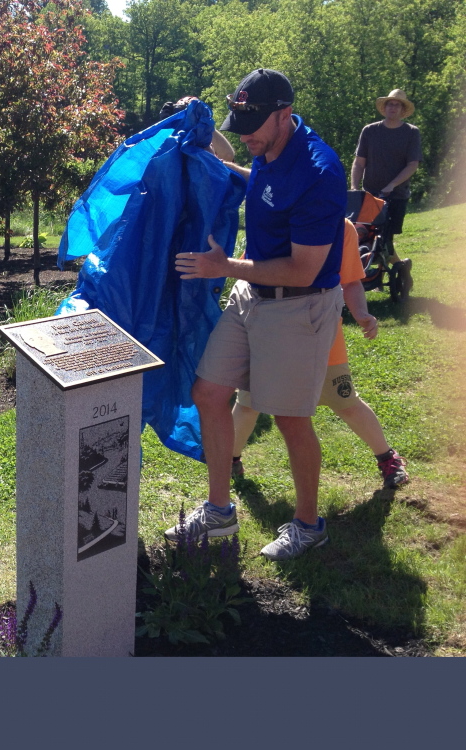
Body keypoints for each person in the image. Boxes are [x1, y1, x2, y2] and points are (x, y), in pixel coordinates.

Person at [173, 68, 347, 561]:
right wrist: (216, 157)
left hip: (299, 305)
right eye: (239, 122)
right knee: (208, 392)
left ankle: (310, 525)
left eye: (252, 124)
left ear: (284, 115)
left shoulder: (319, 171)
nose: (244, 134)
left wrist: (222, 266)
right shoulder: (270, 148)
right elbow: (261, 183)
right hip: (252, 297)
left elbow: (304, 267)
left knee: (291, 419)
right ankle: (218, 511)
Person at [231, 219, 409, 490]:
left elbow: (350, 281)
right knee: (248, 403)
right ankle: (229, 459)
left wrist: (361, 313)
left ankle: (387, 458)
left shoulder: (339, 224)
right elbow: (248, 272)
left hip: (320, 333)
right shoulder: (270, 217)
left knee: (345, 401)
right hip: (269, 332)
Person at [350, 89, 422, 259]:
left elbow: (412, 165)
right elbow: (359, 163)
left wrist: (392, 185)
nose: (393, 107)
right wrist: (354, 187)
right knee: (363, 237)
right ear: (385, 107)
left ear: (402, 110)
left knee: (385, 241)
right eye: (390, 104)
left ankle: (400, 273)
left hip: (396, 195)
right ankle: (374, 276)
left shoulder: (411, 132)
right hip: (370, 195)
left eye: (397, 105)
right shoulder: (370, 131)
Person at [158, 96, 236, 162]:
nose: (185, 103)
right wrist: (167, 124)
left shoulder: (208, 145)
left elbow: (227, 156)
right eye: (181, 102)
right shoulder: (171, 144)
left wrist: (203, 123)